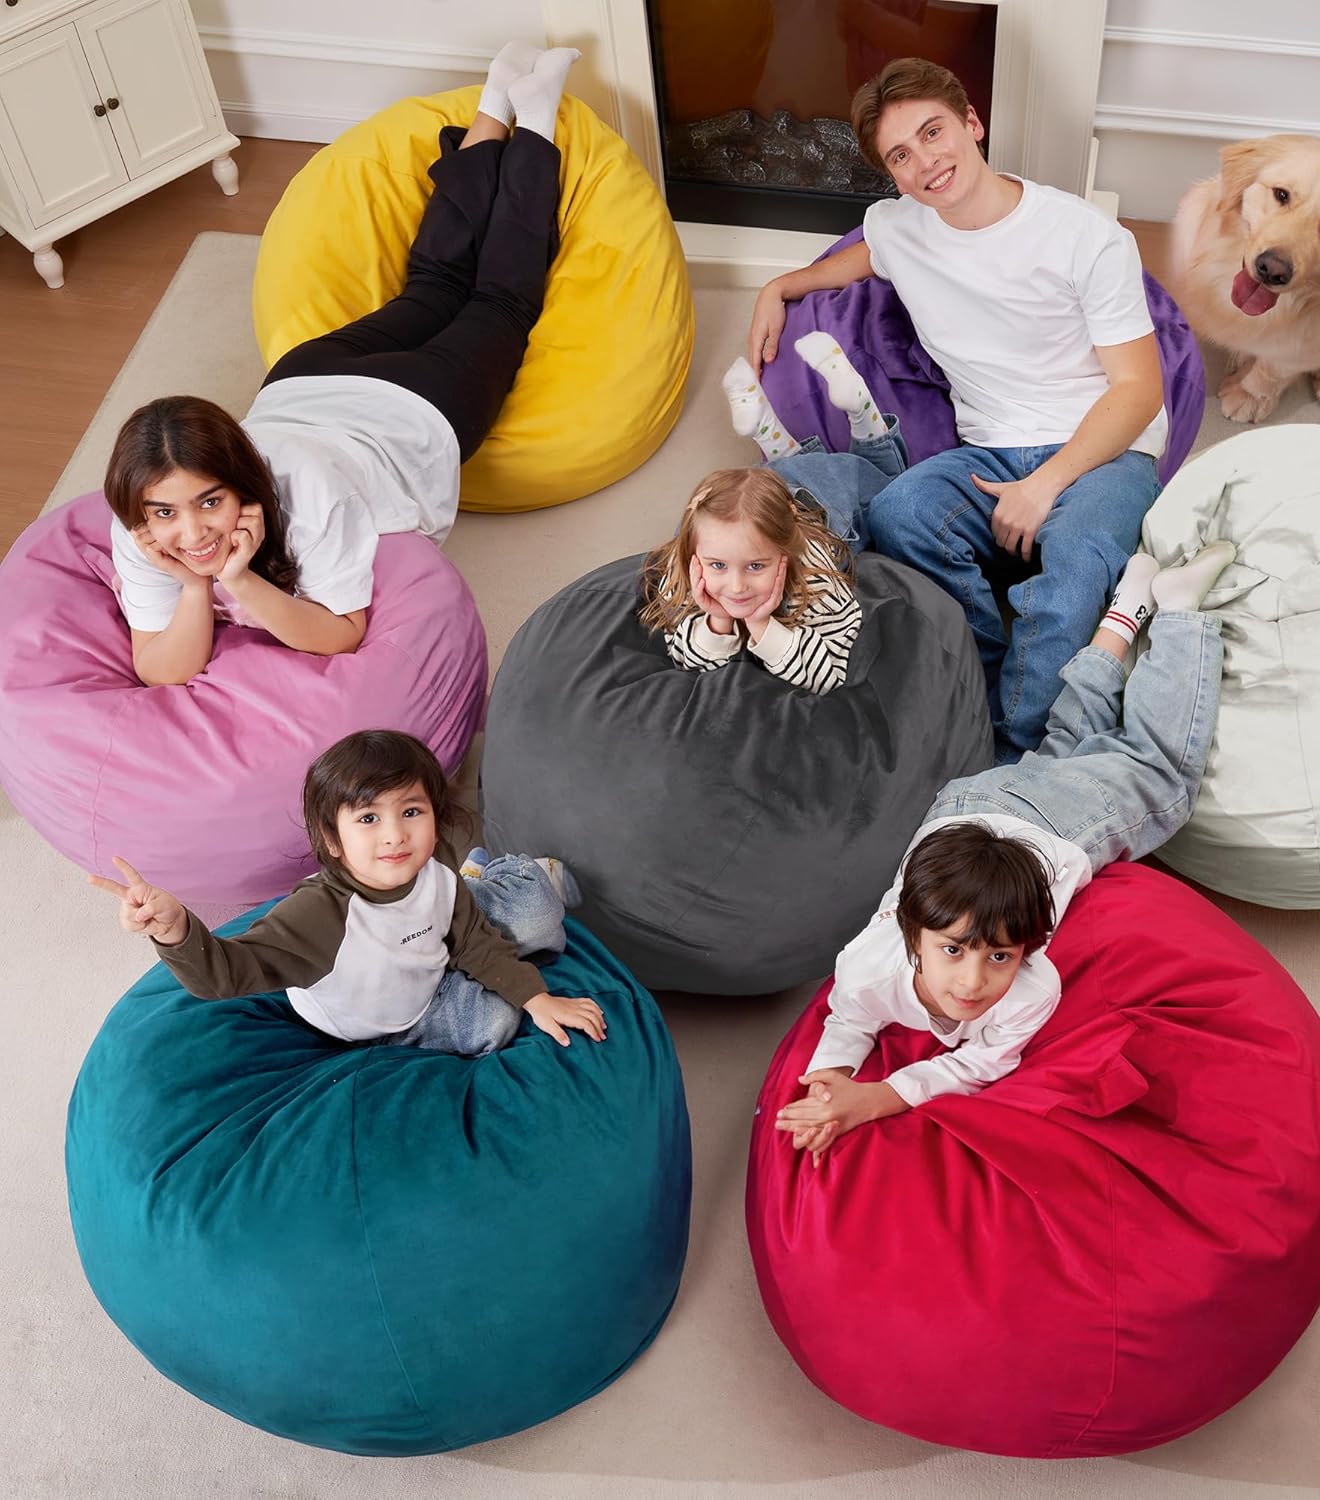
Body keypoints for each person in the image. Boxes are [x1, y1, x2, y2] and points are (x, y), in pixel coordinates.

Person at [104, 42, 580, 686]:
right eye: (165, 512)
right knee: (433, 286)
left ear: (241, 479)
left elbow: (341, 632)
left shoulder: (305, 493)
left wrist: (232, 581)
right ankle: (496, 101)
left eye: (210, 500)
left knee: (501, 301)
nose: (191, 533)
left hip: (413, 403)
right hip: (304, 378)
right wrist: (202, 583)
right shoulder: (141, 531)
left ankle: (536, 118)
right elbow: (159, 668)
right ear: (140, 508)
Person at [747, 56, 1168, 762]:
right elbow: (860, 257)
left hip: (1105, 449)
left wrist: (1045, 485)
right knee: (899, 513)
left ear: (972, 123)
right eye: (901, 156)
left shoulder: (1085, 236)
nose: (926, 163)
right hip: (988, 450)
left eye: (933, 132)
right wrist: (781, 286)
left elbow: (1139, 391)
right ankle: (979, 681)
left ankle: (1011, 753)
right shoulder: (899, 227)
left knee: (1072, 573)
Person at [775, 540, 1234, 1162]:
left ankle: (1174, 614)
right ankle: (1126, 609)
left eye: (999, 955)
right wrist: (830, 1078)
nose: (973, 982)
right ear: (912, 935)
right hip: (965, 809)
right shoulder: (867, 966)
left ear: (1027, 947)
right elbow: (848, 1018)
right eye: (953, 950)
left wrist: (879, 1096)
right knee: (1064, 749)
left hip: (1046, 826)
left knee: (1161, 779)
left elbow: (977, 1066)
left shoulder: (1030, 989)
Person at [88, 729, 607, 1056]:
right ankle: (488, 882)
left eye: (411, 812)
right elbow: (224, 974)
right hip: (401, 1015)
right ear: (333, 840)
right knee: (496, 1023)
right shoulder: (318, 916)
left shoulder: (434, 876)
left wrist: (538, 998)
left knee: (538, 912)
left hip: (433, 948)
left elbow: (476, 944)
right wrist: (176, 930)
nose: (395, 835)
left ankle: (504, 876)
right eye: (368, 818)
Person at [639, 333, 908, 695]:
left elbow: (829, 673)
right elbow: (685, 657)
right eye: (718, 566)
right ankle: (765, 427)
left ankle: (861, 408)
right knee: (779, 481)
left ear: (786, 552)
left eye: (755, 566)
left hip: (824, 495)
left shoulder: (815, 577)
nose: (736, 587)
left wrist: (762, 625)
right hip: (766, 494)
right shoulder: (685, 571)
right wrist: (717, 621)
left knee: (889, 486)